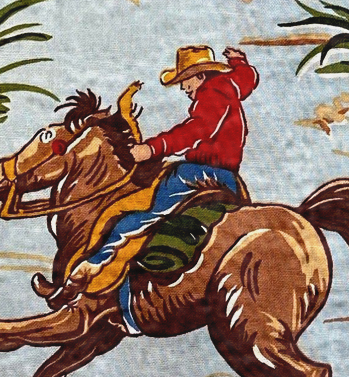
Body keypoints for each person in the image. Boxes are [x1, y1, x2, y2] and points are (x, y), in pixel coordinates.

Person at [69, 44, 257, 302]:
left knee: (146, 213)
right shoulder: (230, 85)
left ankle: (93, 265)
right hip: (227, 175)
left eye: (186, 81)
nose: (183, 88)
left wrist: (150, 149)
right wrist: (239, 62)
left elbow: (195, 130)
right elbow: (247, 79)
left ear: (200, 76)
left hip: (200, 172)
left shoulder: (212, 93)